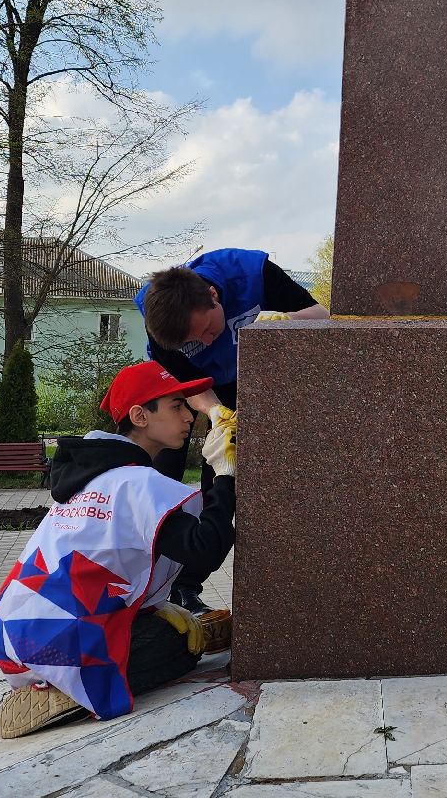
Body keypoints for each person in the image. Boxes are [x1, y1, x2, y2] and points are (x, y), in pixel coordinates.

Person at [0, 361, 238, 739]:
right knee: (182, 648)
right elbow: (206, 550)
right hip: (62, 641)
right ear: (140, 416)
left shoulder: (91, 477)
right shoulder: (137, 483)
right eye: (176, 406)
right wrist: (224, 474)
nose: (190, 416)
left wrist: (155, 606)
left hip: (14, 634)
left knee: (171, 626)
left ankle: (55, 678)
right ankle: (66, 690)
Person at [134, 248, 327, 612]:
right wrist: (216, 414)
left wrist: (283, 322)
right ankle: (146, 587)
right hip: (192, 390)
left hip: (246, 378)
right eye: (196, 340)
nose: (208, 341)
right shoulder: (160, 319)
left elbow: (321, 316)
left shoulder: (252, 273)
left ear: (213, 296)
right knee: (163, 481)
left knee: (222, 483)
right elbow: (189, 385)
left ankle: (186, 588)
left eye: (209, 329)